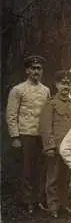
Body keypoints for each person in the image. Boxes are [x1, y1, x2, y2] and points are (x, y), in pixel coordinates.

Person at [6, 55, 50, 213]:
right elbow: (11, 115)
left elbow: (47, 114)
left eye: (39, 68)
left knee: (40, 168)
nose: (36, 71)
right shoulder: (18, 90)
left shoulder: (46, 90)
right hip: (25, 133)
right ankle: (26, 200)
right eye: (33, 68)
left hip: (41, 134)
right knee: (27, 168)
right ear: (27, 70)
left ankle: (38, 199)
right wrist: (15, 137)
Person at [39, 70, 71, 218]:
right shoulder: (51, 103)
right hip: (55, 147)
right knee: (53, 177)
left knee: (67, 176)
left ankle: (65, 204)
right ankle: (53, 205)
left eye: (68, 84)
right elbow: (45, 126)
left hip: (70, 149)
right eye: (63, 84)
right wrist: (49, 146)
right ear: (56, 85)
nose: (66, 87)